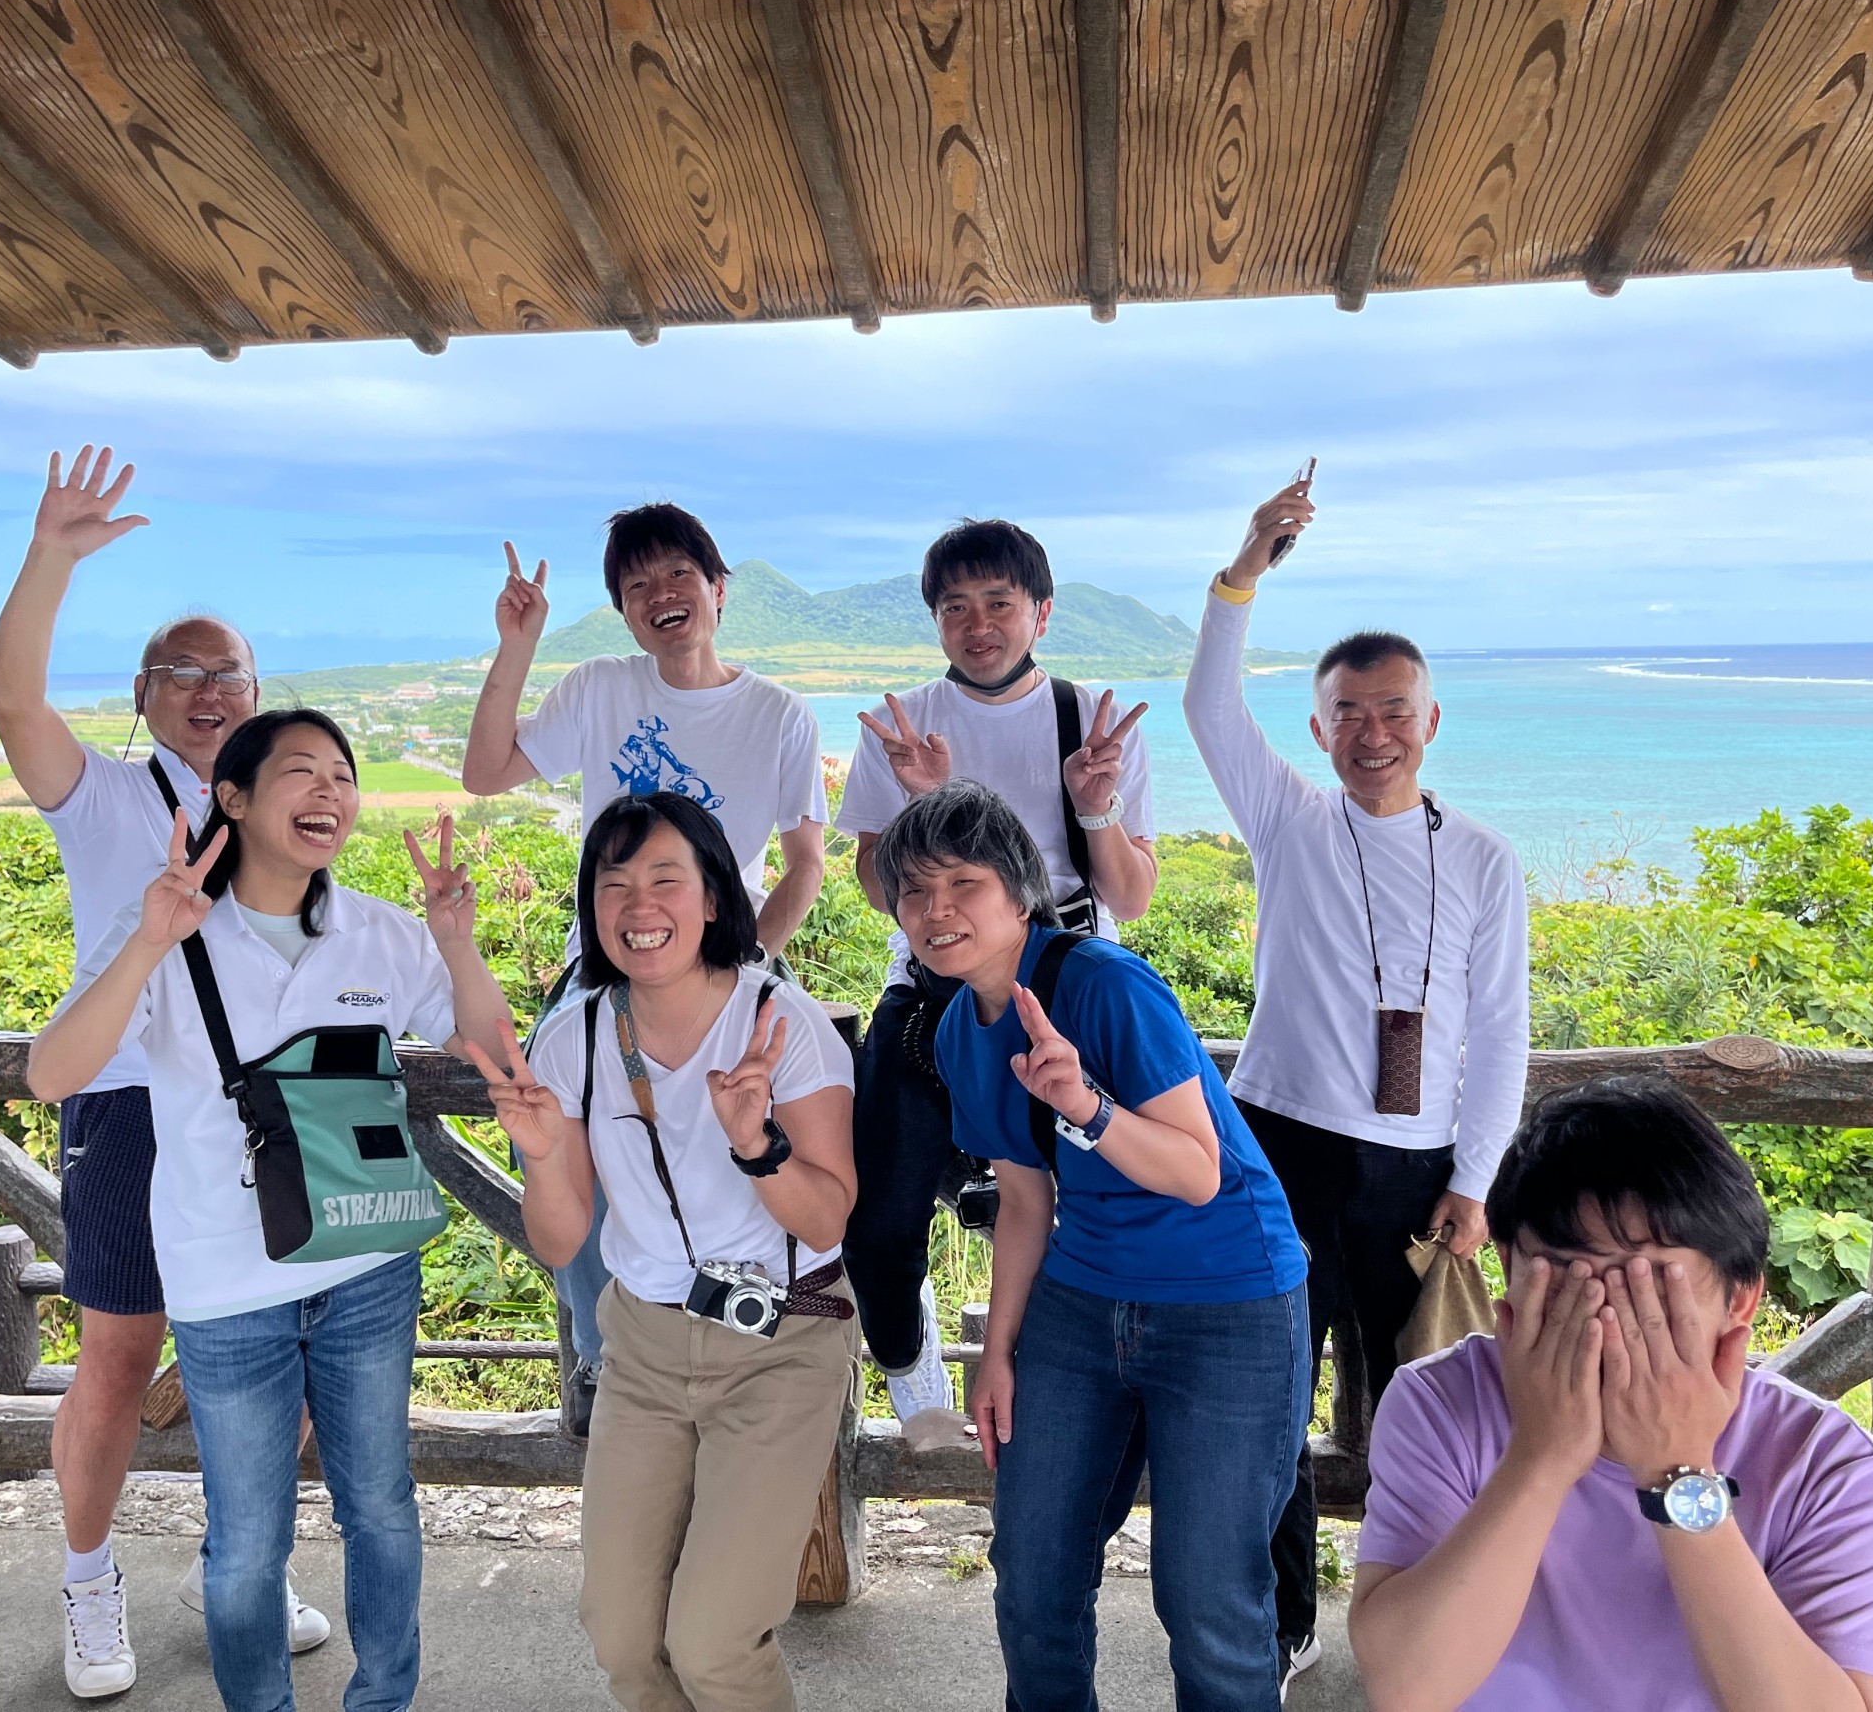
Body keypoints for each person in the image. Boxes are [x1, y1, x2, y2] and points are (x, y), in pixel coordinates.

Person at [29, 710, 516, 1712]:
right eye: (302, 770)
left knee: (381, 1508)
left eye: (344, 773)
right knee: (248, 1539)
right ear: (234, 798)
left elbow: (492, 1046)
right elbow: (52, 1073)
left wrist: (456, 943)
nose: (330, 790)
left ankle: (382, 1698)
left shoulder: (379, 931)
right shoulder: (167, 928)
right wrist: (150, 940)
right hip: (224, 1283)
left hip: (366, 1265)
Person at [0, 446, 333, 1695]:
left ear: (258, 695)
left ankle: (243, 1562)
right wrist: (51, 558)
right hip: (128, 1103)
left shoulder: (283, 813)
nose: (206, 690)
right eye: (182, 672)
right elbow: (13, 703)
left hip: (260, 1112)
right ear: (145, 693)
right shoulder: (103, 799)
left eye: (227, 673)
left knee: (281, 1352)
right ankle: (88, 1585)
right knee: (120, 1359)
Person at [1183, 472, 1529, 1688]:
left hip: (1416, 1172)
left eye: (1393, 711)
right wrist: (1245, 569)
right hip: (1276, 1148)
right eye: (1347, 714)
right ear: (1319, 727)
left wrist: (1474, 1181)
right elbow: (1208, 704)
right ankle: (1287, 1620)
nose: (1372, 732)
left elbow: (1503, 1030)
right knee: (1268, 1401)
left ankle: (1431, 1620)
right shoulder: (1287, 819)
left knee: (1427, 1408)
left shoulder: (1483, 859)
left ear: (1431, 721)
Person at [872, 780, 1308, 1710]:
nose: (936, 911)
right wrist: (997, 1352)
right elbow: (1025, 1199)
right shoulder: (956, 1031)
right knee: (1032, 1572)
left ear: (1020, 892)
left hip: (1229, 1299)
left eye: (963, 884)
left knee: (1208, 1598)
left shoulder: (1106, 985)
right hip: (1083, 1298)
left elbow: (1197, 1171)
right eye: (914, 892)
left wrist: (1087, 1106)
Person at [462, 791, 857, 1712]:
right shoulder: (575, 1034)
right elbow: (561, 1236)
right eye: (615, 883)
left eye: (665, 879)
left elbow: (827, 1220)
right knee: (623, 1637)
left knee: (713, 1641)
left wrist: (757, 1144)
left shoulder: (781, 1025)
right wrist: (542, 1154)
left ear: (714, 897)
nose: (639, 906)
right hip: (641, 1348)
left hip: (780, 1346)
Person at [1349, 1078, 1873, 1712]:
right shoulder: (1439, 1405)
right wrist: (1541, 1457)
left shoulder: (1833, 1469)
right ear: (1509, 1269)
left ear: (1741, 1299)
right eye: (1567, 1277)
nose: (1604, 1321)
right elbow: (1407, 1689)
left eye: (1646, 1287)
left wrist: (1678, 1474)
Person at [459, 507, 829, 1430]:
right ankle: (603, 1344)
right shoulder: (599, 687)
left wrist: (747, 965)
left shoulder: (779, 714)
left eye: (678, 575)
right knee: (557, 1128)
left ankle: (775, 1327)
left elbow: (805, 865)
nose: (660, 596)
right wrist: (517, 645)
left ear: (718, 588)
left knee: (785, 1125)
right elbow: (485, 771)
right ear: (623, 611)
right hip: (607, 965)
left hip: (731, 961)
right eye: (637, 586)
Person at [832, 519, 1158, 1421]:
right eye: (955, 607)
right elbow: (877, 886)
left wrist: (1097, 806)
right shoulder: (905, 724)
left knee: (1095, 1200)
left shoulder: (1089, 723)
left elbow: (1130, 896)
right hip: (935, 988)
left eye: (999, 603)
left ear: (1041, 613)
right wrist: (923, 801)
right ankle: (914, 1373)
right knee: (881, 1210)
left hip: (1070, 978)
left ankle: (1075, 1385)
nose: (977, 625)